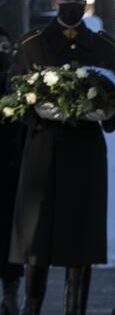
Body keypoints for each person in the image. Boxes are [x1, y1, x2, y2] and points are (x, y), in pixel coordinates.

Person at [8, 0, 115, 314]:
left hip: (84, 154)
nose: (72, 5)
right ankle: (32, 306)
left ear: (85, 3)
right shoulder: (33, 45)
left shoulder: (102, 46)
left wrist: (103, 113)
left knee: (81, 237)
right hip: (43, 152)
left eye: (78, 0)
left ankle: (76, 309)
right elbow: (16, 98)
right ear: (53, 2)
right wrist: (39, 111)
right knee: (36, 238)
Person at [0, 28, 23, 315]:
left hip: (12, 166)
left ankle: (11, 293)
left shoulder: (16, 79)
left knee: (9, 234)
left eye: (4, 46)